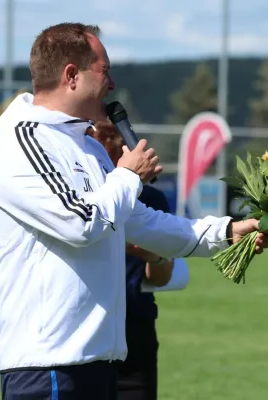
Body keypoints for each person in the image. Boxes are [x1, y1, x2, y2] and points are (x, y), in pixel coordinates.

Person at [0, 22, 268, 400]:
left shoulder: (87, 147)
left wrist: (226, 233)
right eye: (104, 71)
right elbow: (81, 223)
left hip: (99, 364)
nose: (112, 84)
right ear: (72, 75)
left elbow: (140, 221)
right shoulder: (20, 143)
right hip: (49, 367)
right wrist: (128, 174)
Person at [87, 120, 173, 400]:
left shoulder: (150, 199)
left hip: (135, 328)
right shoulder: (80, 201)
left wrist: (153, 256)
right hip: (85, 328)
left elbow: (161, 276)